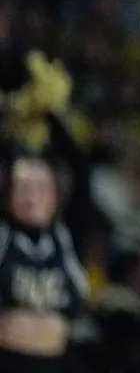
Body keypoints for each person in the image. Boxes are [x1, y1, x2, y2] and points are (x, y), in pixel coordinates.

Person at [0, 151, 88, 373]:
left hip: (54, 362)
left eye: (42, 188)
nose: (32, 199)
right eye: (23, 188)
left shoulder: (63, 240)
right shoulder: (4, 238)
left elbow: (80, 297)